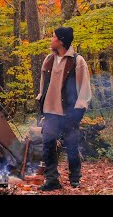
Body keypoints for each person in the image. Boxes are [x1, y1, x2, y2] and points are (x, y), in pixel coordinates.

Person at [35, 26, 92, 191]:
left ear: (61, 41)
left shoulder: (77, 61)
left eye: (53, 37)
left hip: (69, 112)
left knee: (72, 145)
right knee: (48, 145)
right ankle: (52, 180)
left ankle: (75, 178)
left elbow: (85, 88)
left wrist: (79, 110)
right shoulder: (49, 59)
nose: (51, 40)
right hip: (50, 112)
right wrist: (41, 99)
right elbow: (43, 83)